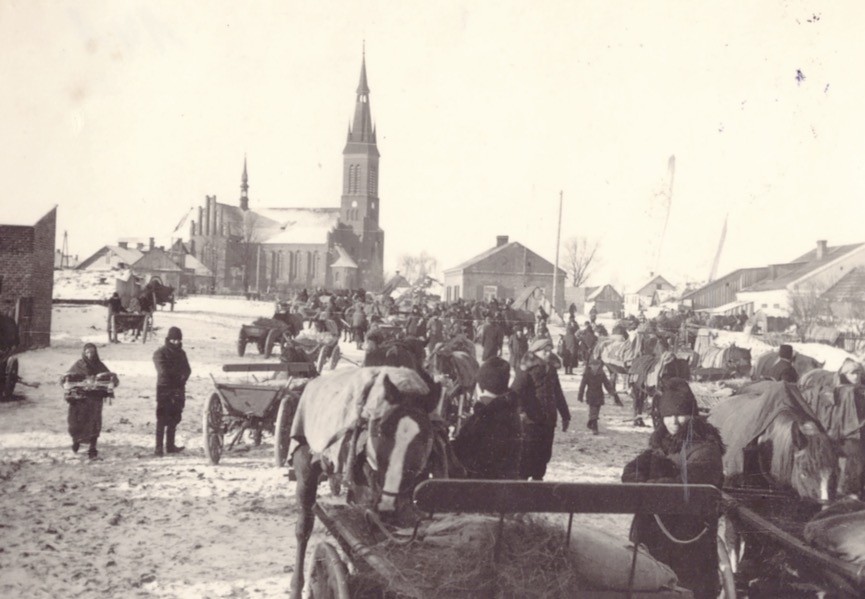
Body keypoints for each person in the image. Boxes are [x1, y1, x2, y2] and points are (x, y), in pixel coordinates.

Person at [621, 378, 725, 599]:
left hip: (688, 538)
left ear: (692, 414)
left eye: (680, 414)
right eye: (668, 415)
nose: (673, 421)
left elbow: (688, 486)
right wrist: (638, 478)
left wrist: (646, 487)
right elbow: (633, 468)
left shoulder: (705, 447)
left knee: (686, 587)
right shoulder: (663, 443)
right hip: (658, 535)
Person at [511, 336, 571, 481]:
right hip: (531, 420)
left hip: (548, 419)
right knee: (528, 454)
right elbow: (515, 392)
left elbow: (557, 392)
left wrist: (565, 415)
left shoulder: (551, 370)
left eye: (550, 350)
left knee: (544, 455)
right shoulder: (526, 370)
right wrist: (521, 412)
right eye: (545, 350)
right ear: (535, 351)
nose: (548, 353)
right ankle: (522, 483)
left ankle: (538, 481)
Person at [451, 357, 521, 479]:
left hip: (483, 488)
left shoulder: (485, 417)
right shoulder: (509, 409)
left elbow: (463, 454)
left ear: (480, 386)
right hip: (506, 484)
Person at [62, 343, 118, 459]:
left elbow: (113, 379)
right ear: (84, 353)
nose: (90, 355)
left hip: (94, 399)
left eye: (92, 352)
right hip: (79, 400)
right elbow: (65, 379)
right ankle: (76, 441)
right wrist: (69, 383)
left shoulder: (99, 365)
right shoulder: (78, 365)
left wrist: (110, 382)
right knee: (76, 422)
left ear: (96, 353)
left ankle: (92, 447)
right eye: (87, 352)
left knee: (94, 423)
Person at [152, 326, 191, 456]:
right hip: (165, 389)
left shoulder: (182, 353)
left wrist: (182, 379)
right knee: (162, 418)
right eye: (173, 340)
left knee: (175, 417)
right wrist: (177, 377)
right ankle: (158, 447)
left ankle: (170, 445)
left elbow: (187, 370)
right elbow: (163, 371)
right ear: (168, 339)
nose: (176, 342)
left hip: (178, 388)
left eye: (178, 340)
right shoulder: (160, 353)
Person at [578, 358, 616, 434]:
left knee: (597, 411)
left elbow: (606, 384)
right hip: (591, 394)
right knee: (593, 410)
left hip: (599, 394)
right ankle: (595, 428)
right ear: (590, 366)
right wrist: (580, 395)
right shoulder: (587, 373)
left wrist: (611, 392)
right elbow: (582, 385)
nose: (595, 367)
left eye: (597, 365)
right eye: (593, 365)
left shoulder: (602, 374)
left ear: (599, 366)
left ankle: (590, 421)